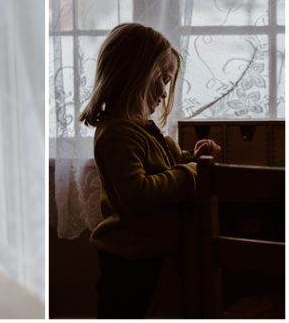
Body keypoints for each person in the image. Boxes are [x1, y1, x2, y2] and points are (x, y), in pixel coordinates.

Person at [79, 23, 221, 318]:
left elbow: (159, 166)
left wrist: (188, 158)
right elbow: (138, 192)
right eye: (163, 80)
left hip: (147, 253)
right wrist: (190, 173)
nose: (164, 91)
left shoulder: (139, 130)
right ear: (137, 76)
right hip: (128, 259)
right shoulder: (118, 134)